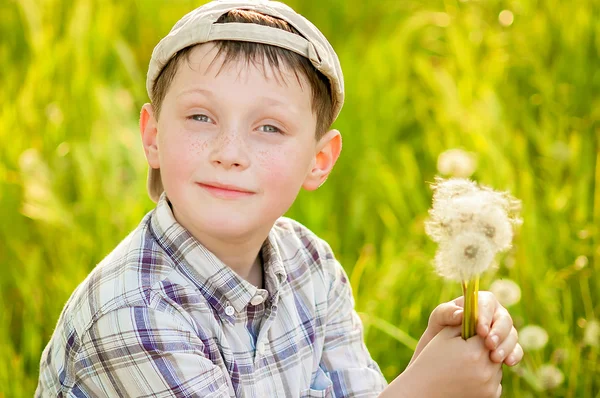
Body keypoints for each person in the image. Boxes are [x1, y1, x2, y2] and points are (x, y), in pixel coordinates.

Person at [36, 1, 523, 397]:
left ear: (319, 160)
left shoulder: (310, 265)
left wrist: (434, 366)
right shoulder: (134, 313)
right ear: (153, 136)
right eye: (201, 117)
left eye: (268, 128)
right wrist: (424, 392)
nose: (230, 153)